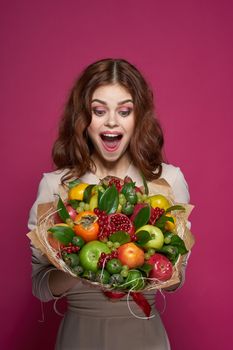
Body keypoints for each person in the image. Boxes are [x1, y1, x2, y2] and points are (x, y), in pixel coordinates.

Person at [28, 58, 190, 350]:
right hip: (79, 337)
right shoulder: (55, 186)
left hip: (145, 337)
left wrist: (147, 262)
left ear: (138, 117)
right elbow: (40, 287)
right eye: (99, 111)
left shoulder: (168, 181)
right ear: (83, 118)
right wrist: (79, 269)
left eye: (124, 111)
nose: (112, 121)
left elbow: (177, 280)